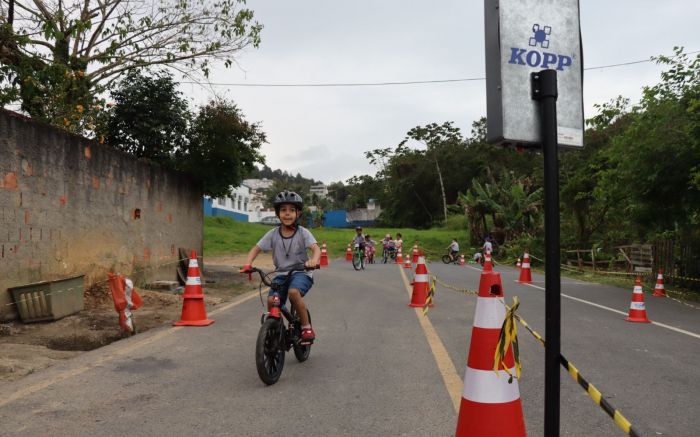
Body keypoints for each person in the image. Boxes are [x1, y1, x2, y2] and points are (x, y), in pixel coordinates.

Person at [240, 190, 321, 344]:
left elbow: (316, 249)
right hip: (281, 274)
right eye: (283, 210)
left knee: (293, 292)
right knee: (271, 301)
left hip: (301, 272)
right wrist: (248, 264)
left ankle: (306, 327)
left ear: (298, 213)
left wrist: (313, 261)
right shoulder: (272, 233)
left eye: (292, 210)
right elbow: (255, 249)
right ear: (277, 214)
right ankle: (276, 327)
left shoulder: (303, 232)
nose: (287, 214)